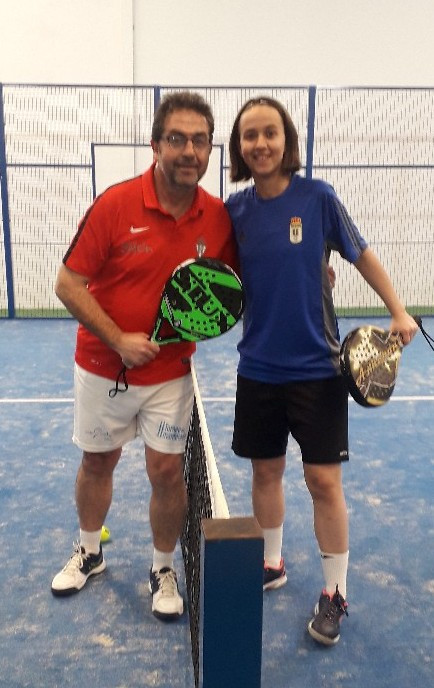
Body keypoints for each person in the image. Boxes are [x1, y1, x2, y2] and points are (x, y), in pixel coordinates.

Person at [226, 96, 418, 645]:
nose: (260, 143)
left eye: (269, 132)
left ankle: (335, 592)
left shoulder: (318, 198)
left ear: (286, 139)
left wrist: (398, 309)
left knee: (322, 481)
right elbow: (222, 273)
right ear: (239, 148)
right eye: (249, 136)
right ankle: (271, 562)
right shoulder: (235, 210)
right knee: (264, 473)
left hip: (317, 369)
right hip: (258, 368)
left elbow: (361, 252)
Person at [51, 91, 238, 621]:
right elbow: (68, 284)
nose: (189, 151)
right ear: (155, 146)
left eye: (200, 141)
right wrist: (118, 339)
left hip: (170, 374)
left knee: (167, 471)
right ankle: (90, 551)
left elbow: (234, 285)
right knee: (98, 461)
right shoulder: (115, 205)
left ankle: (163, 568)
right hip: (102, 366)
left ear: (210, 151)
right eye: (177, 139)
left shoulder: (217, 218)